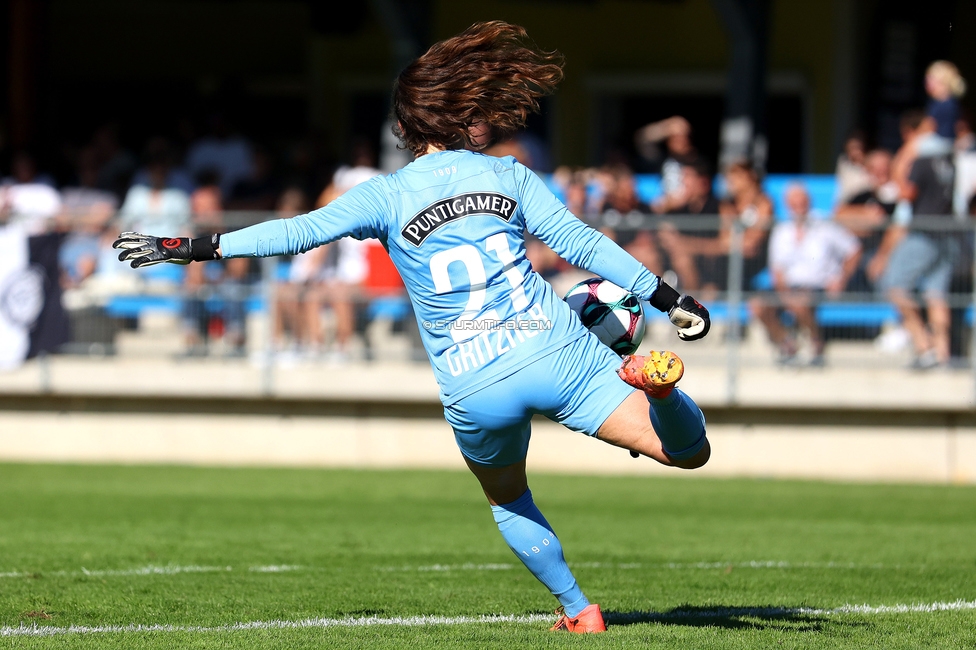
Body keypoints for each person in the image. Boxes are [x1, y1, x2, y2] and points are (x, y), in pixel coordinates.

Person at [114, 21, 711, 634]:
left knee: (507, 496)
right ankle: (659, 389)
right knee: (686, 452)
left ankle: (579, 610)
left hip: (474, 379)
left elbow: (295, 232)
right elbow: (580, 242)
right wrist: (665, 298)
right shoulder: (509, 176)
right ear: (456, 117)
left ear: (410, 126)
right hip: (554, 348)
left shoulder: (386, 195)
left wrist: (190, 247)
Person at [754, 184, 861, 365]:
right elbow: (777, 268)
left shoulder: (825, 224)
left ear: (809, 202)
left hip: (817, 285)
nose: (799, 207)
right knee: (757, 305)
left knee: (799, 302)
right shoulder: (782, 230)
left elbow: (853, 249)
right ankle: (787, 343)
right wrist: (783, 291)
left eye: (802, 202)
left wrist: (842, 278)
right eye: (794, 203)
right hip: (789, 287)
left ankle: (816, 342)